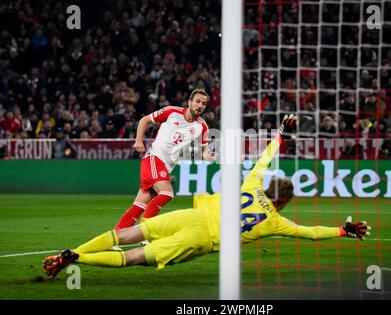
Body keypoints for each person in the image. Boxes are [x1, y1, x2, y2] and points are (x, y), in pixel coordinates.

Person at [43, 114, 371, 278]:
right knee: (133, 258)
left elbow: (265, 158)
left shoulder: (253, 184)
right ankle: (79, 261)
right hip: (202, 239)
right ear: (283, 201)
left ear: (270, 187)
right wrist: (343, 230)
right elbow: (310, 234)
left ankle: (74, 251)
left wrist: (282, 136)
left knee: (129, 234)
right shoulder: (276, 221)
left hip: (192, 215)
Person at [113, 88, 216, 230]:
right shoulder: (172, 112)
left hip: (166, 167)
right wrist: (138, 141)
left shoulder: (202, 127)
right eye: (197, 101)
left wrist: (209, 156)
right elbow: (145, 120)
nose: (200, 106)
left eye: (204, 104)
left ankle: (116, 236)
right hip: (154, 158)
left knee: (138, 206)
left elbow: (204, 151)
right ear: (189, 102)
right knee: (167, 193)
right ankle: (145, 231)